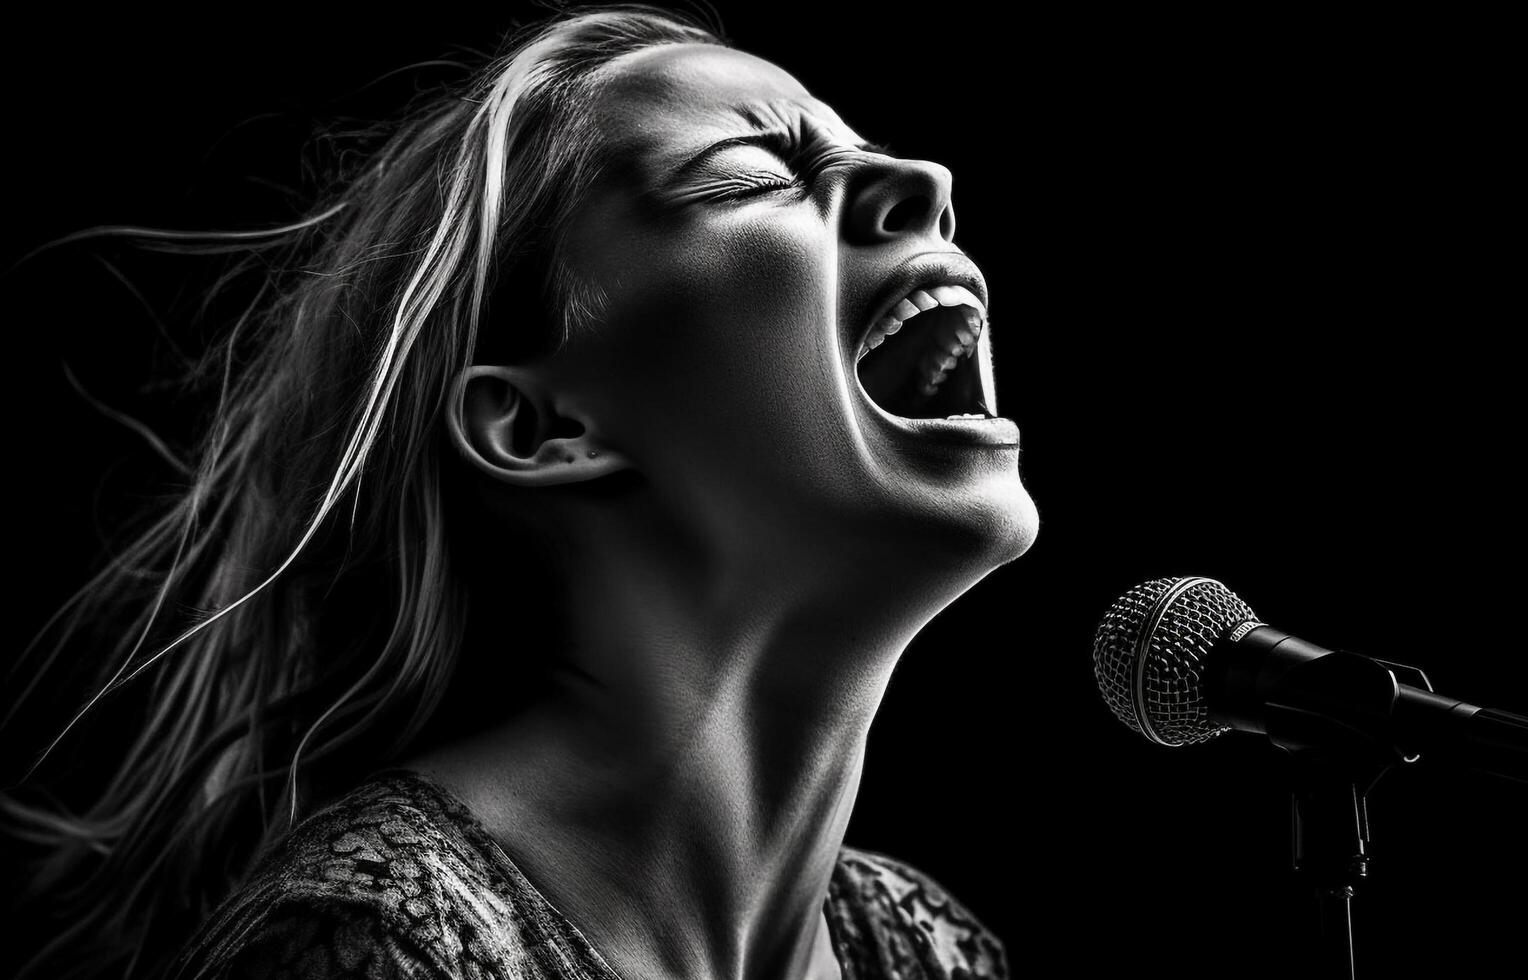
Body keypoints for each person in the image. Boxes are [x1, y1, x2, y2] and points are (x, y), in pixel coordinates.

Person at [0, 4, 1038, 979]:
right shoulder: (381, 940)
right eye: (757, 171)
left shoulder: (919, 948)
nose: (926, 177)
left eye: (866, 149)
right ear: (539, 427)